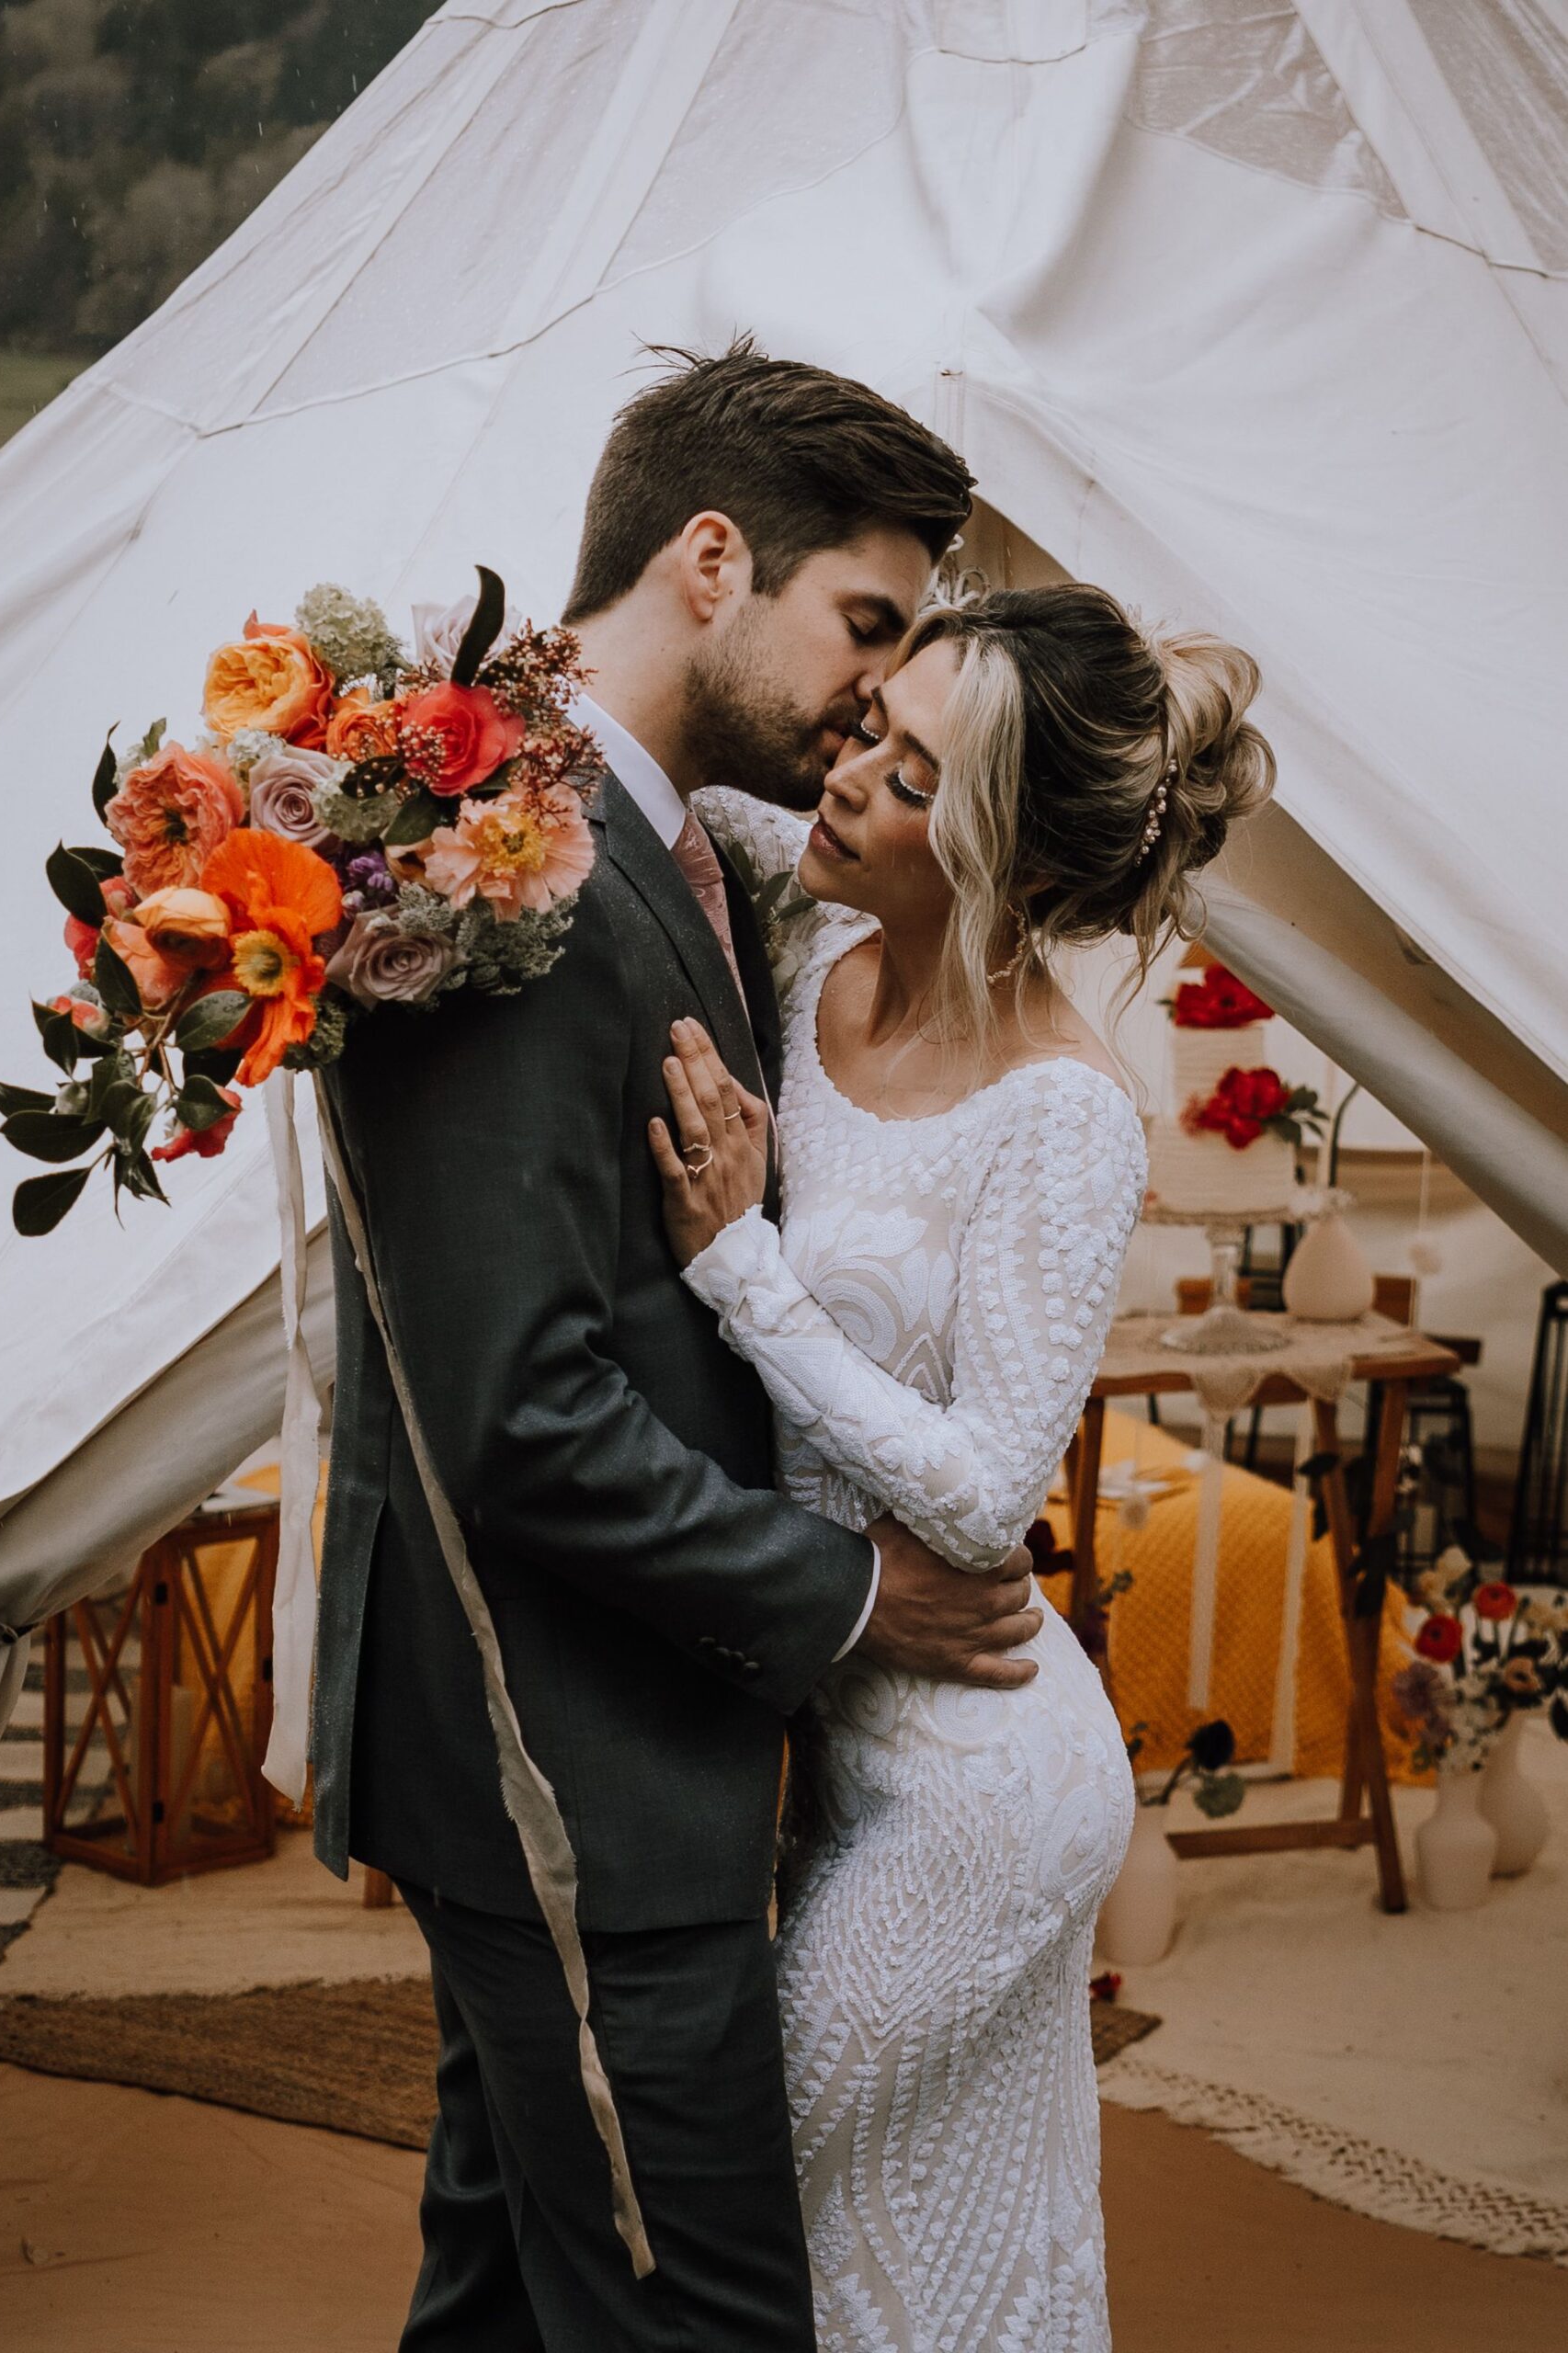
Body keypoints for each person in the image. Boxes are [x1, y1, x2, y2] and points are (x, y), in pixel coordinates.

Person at [311, 343, 1043, 2351]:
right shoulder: (505, 871)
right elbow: (521, 1412)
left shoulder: (673, 850)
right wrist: (854, 1593)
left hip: (626, 1736)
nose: (876, 699)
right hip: (577, 1763)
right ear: (712, 558)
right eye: (864, 626)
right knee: (689, 2313)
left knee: (505, 2296)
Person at [651, 584, 1276, 2349]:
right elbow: (662, 774)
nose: (850, 775)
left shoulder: (1063, 1115)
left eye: (910, 772)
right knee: (923, 2258)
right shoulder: (818, 949)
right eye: (871, 726)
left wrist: (743, 1278)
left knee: (748, 2183)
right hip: (849, 1727)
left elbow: (988, 1487)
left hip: (988, 1792)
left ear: (990, 851)